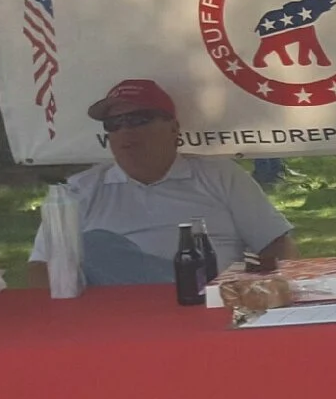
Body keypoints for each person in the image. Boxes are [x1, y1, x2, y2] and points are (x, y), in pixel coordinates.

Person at [26, 79, 297, 290]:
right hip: (114, 318)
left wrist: (269, 292)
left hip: (211, 305)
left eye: (138, 120)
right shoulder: (79, 190)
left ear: (173, 128)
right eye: (114, 124)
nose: (125, 131)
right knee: (97, 244)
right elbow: (42, 268)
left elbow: (276, 244)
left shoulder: (220, 176)